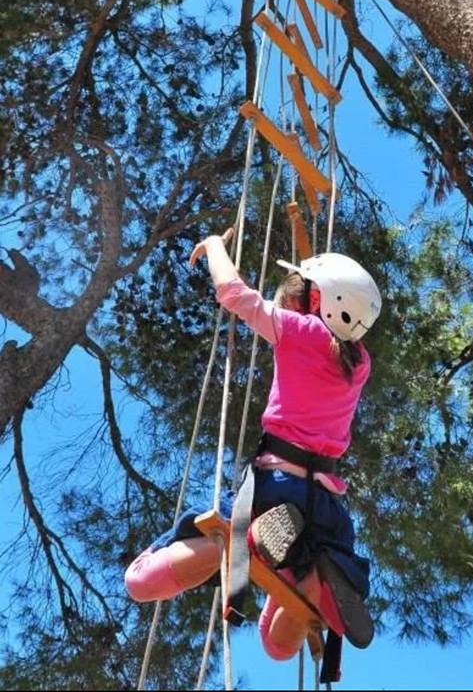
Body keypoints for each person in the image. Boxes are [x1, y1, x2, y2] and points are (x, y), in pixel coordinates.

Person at [125, 227, 381, 673]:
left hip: (275, 488)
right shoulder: (358, 363)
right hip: (328, 507)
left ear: (316, 302)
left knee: (139, 582)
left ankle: (247, 543)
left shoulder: (301, 331)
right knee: (278, 646)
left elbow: (233, 293)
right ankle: (313, 574)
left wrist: (215, 247)